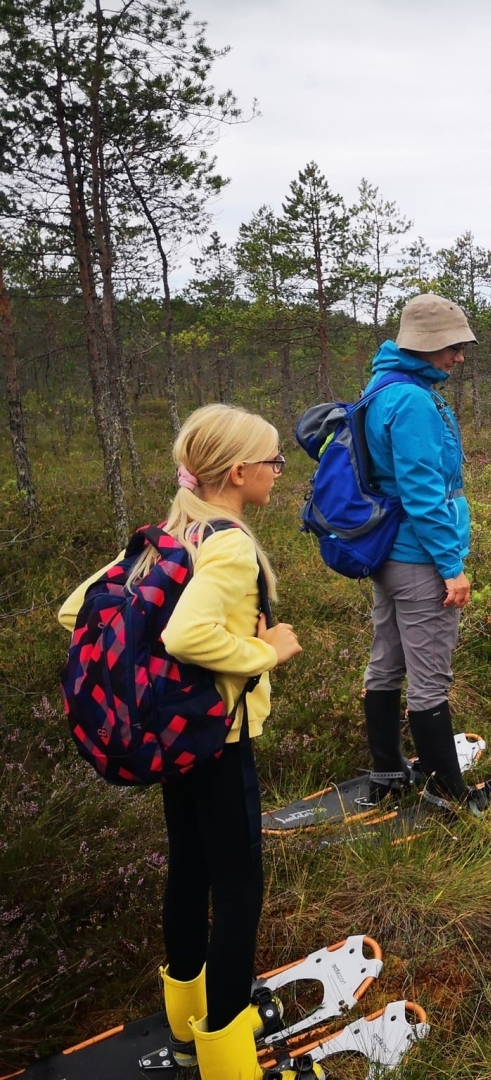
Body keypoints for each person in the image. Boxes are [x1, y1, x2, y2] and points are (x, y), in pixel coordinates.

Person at [58, 405, 309, 1079]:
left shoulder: (170, 531)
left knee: (189, 871)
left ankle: (183, 1026)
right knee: (238, 888)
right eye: (274, 462)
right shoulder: (227, 543)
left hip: (179, 745)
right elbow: (186, 637)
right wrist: (263, 651)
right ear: (239, 472)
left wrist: (153, 681)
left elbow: (73, 610)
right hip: (220, 742)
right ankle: (227, 1052)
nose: (280, 473)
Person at [358, 294, 490, 815]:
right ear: (428, 344)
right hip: (418, 557)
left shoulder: (382, 387)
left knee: (387, 660)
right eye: (453, 347)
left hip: (390, 553)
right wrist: (451, 566)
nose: (459, 357)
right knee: (430, 673)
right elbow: (421, 492)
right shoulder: (410, 400)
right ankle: (447, 793)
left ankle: (389, 771)